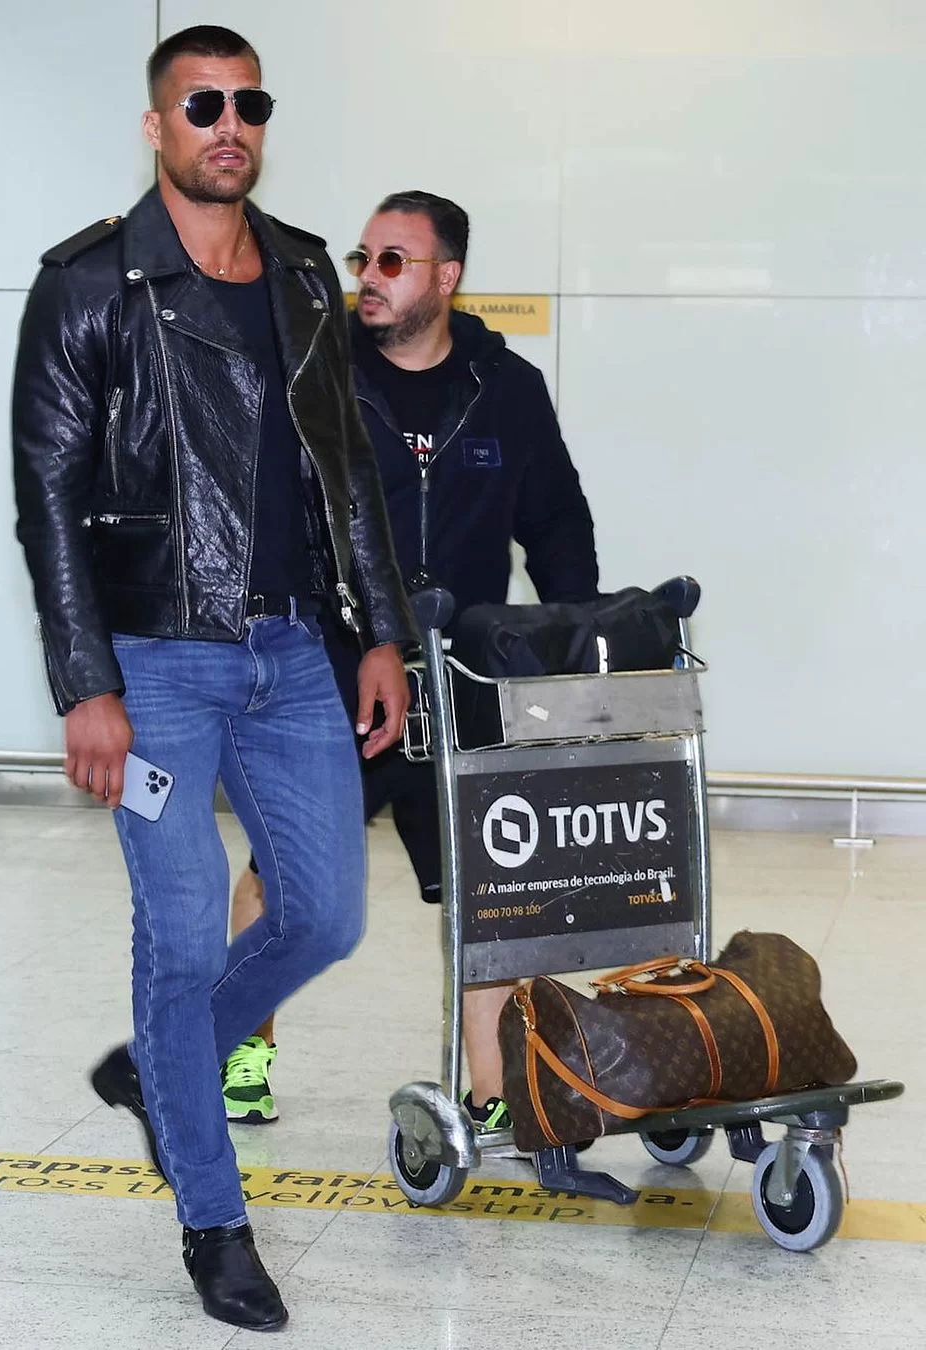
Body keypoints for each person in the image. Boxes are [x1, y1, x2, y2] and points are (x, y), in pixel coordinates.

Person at [11, 26, 414, 1333]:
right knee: (184, 935)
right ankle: (213, 1219)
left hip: (296, 653)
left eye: (247, 101)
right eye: (202, 103)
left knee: (327, 915)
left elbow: (346, 471)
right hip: (155, 664)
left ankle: (160, 1065)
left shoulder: (303, 272)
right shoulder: (85, 286)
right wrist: (85, 683)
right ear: (156, 126)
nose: (228, 121)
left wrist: (383, 634)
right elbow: (48, 501)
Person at [224, 190, 598, 1139]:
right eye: (363, 260)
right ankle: (240, 1048)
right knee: (283, 875)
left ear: (447, 276)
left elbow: (555, 522)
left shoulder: (504, 386)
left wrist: (573, 639)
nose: (370, 279)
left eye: (394, 261)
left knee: (489, 886)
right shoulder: (321, 379)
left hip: (464, 680)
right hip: (333, 678)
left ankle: (491, 1088)